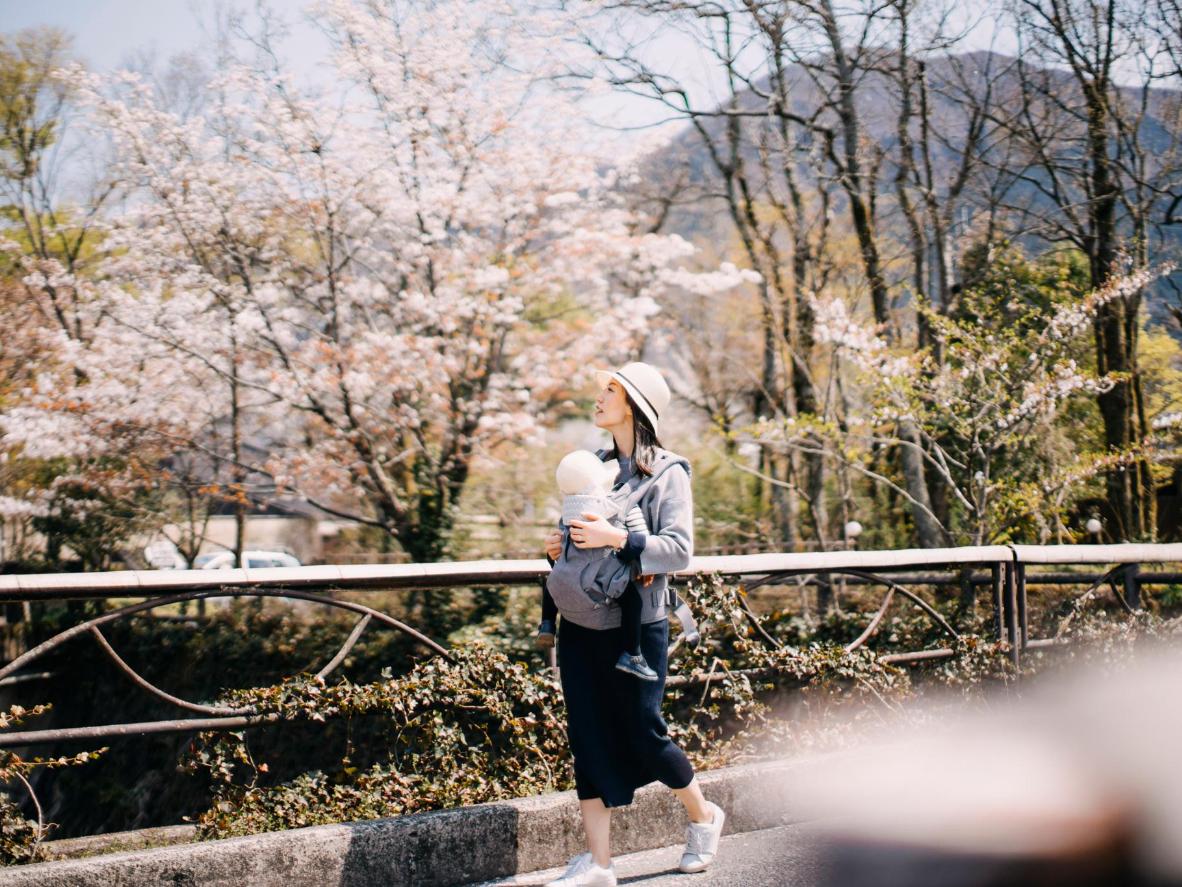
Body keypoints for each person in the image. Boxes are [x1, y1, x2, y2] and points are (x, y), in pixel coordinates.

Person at [541, 361, 726, 887]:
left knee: (645, 733)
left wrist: (617, 539)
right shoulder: (590, 466)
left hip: (638, 627)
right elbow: (577, 540)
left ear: (636, 405)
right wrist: (559, 548)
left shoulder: (669, 473)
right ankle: (599, 864)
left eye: (610, 390)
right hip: (583, 624)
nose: (598, 398)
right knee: (588, 736)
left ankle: (704, 816)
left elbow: (679, 551)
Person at [538, 448, 656, 680]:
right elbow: (640, 539)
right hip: (603, 576)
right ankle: (633, 654)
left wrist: (554, 555)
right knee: (632, 600)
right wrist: (642, 562)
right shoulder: (619, 506)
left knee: (554, 581)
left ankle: (546, 624)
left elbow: (561, 548)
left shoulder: (567, 512)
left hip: (570, 578)